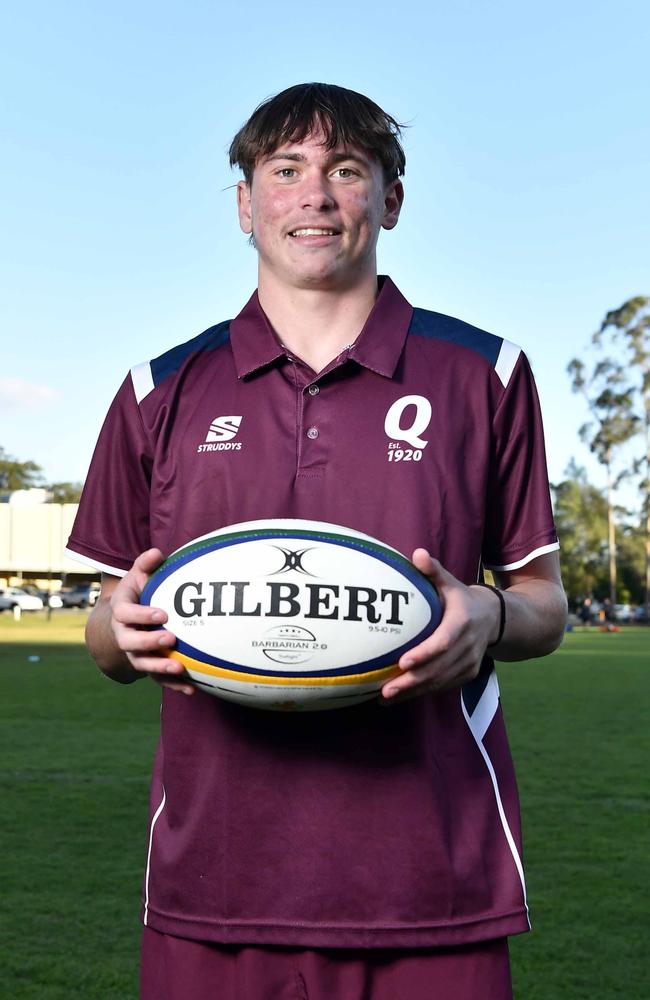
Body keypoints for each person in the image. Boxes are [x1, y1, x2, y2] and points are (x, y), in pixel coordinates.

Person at [66, 83, 567, 1000]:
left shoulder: (484, 374)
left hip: (431, 884)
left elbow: (546, 601)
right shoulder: (157, 389)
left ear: (391, 199)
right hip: (212, 882)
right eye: (285, 170)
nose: (316, 196)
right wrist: (121, 636)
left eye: (346, 170)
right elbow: (103, 630)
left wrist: (486, 615)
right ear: (247, 204)